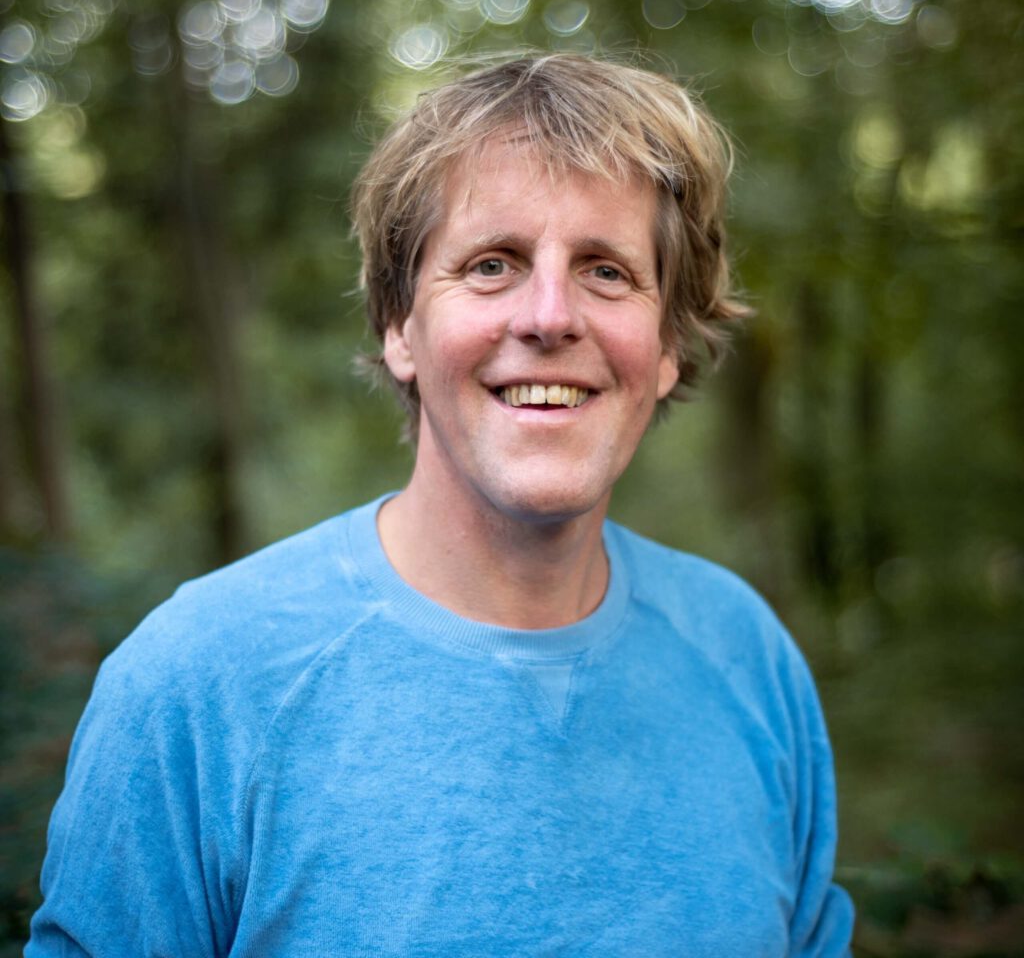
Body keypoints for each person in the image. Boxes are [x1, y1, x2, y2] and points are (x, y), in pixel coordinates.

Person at [28, 54, 854, 956]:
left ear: (665, 349)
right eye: (492, 264)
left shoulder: (746, 657)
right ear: (400, 329)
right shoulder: (197, 686)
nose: (549, 316)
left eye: (607, 271)